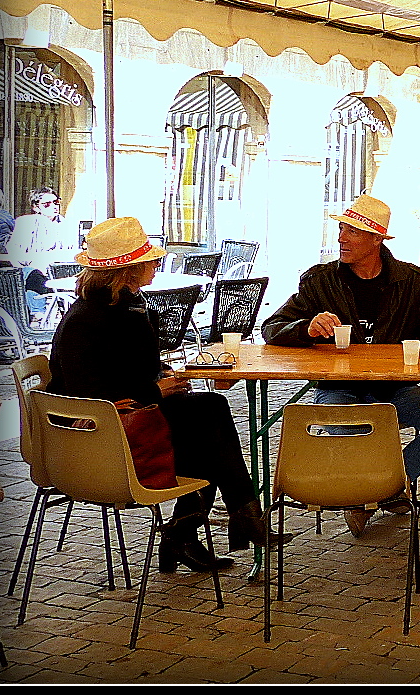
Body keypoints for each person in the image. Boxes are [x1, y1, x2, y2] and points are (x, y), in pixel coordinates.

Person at [48, 218, 288, 572]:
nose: (157, 264)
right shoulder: (94, 318)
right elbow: (92, 396)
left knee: (208, 418)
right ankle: (214, 524)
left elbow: (127, 372)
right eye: (150, 259)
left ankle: (201, 530)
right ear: (127, 271)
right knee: (209, 427)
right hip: (100, 441)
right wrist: (156, 389)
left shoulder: (120, 307)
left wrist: (162, 380)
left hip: (123, 423)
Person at [261, 194, 420, 536]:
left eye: (352, 231)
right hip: (339, 389)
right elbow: (271, 329)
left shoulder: (412, 282)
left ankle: (387, 489)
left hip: (394, 391)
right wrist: (305, 328)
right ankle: (369, 497)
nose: (341, 238)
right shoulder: (319, 281)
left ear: (377, 239)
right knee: (351, 432)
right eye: (340, 229)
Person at [4, 187, 78, 325]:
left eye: (56, 202)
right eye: (47, 204)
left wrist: (47, 259)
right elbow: (15, 254)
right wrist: (36, 262)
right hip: (30, 272)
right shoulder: (25, 223)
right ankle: (38, 316)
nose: (54, 207)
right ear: (36, 207)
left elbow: (72, 253)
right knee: (31, 273)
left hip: (58, 271)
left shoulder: (66, 225)